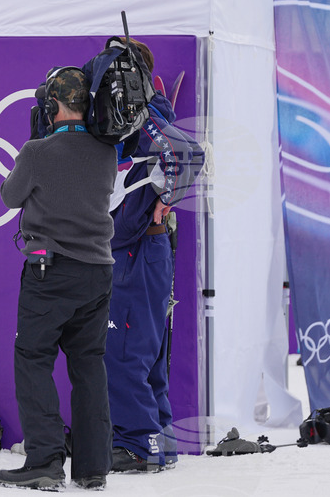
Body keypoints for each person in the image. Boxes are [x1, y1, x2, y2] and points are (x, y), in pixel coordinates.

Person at [0, 66, 117, 491]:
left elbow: (9, 196)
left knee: (33, 359)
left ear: (52, 105)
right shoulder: (107, 151)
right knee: (89, 365)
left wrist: (34, 145)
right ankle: (93, 467)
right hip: (98, 270)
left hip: (51, 271)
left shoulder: (37, 152)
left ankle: (45, 461)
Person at [104, 40, 202, 473]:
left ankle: (136, 445)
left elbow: (189, 152)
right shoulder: (135, 115)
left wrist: (166, 200)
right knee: (147, 352)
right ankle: (159, 441)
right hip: (144, 247)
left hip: (137, 249)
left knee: (124, 351)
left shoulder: (143, 115)